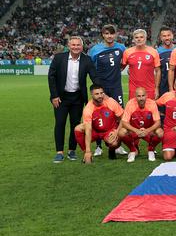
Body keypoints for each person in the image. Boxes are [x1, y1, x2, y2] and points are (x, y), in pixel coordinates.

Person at [48, 35, 99, 163]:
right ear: (69, 46)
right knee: (60, 123)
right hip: (61, 98)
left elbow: (95, 77)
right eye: (73, 45)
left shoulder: (87, 60)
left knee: (75, 125)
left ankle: (72, 150)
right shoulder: (59, 58)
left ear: (82, 47)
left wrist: (100, 92)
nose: (76, 47)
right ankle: (59, 152)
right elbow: (51, 76)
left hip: (77, 98)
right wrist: (54, 95)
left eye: (78, 45)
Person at [74, 84, 124, 163]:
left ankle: (111, 151)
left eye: (101, 93)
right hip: (95, 131)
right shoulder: (88, 108)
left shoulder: (110, 102)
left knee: (114, 143)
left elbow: (123, 118)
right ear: (92, 94)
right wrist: (88, 150)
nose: (100, 96)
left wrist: (116, 131)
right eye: (97, 94)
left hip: (109, 130)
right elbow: (88, 129)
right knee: (78, 129)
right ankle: (86, 154)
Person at [118, 86, 163, 162]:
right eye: (139, 96)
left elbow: (158, 122)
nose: (141, 98)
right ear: (135, 97)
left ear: (146, 95)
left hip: (148, 131)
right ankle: (133, 150)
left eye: (143, 96)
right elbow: (124, 122)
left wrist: (147, 130)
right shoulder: (130, 103)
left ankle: (151, 150)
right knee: (121, 132)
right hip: (134, 130)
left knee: (160, 132)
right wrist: (136, 130)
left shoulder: (152, 103)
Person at [88, 24, 126, 106]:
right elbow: (90, 67)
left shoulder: (121, 48)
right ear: (103, 34)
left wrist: (121, 67)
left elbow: (126, 61)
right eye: (107, 33)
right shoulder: (95, 50)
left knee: (119, 111)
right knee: (102, 111)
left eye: (112, 34)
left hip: (116, 86)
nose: (109, 36)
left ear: (115, 35)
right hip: (101, 86)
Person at [122, 29, 160, 100]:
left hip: (149, 88)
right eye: (136, 37)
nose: (139, 39)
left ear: (145, 38)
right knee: (133, 109)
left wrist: (157, 88)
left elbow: (158, 71)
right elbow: (121, 68)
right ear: (133, 39)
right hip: (133, 88)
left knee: (150, 110)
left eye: (141, 37)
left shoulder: (153, 52)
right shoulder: (127, 52)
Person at [156, 26, 175, 98]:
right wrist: (156, 88)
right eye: (164, 36)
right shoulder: (157, 52)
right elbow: (156, 71)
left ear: (172, 35)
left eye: (169, 35)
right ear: (160, 38)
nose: (167, 38)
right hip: (163, 85)